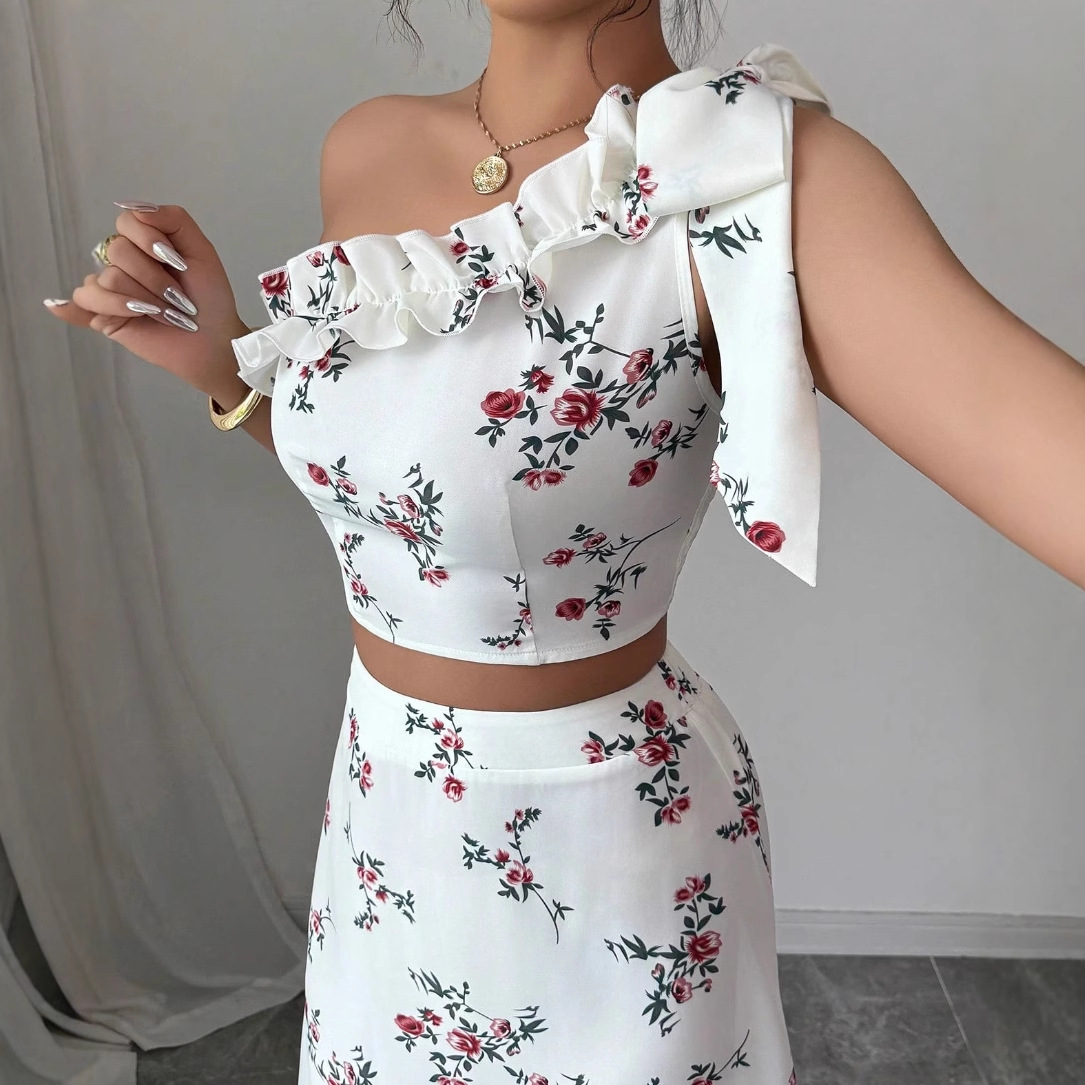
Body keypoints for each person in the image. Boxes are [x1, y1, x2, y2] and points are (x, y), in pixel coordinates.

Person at [42, 1, 1085, 1081]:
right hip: (386, 823)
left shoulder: (750, 175)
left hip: (608, 855)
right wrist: (225, 369)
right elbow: (420, 497)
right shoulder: (366, 147)